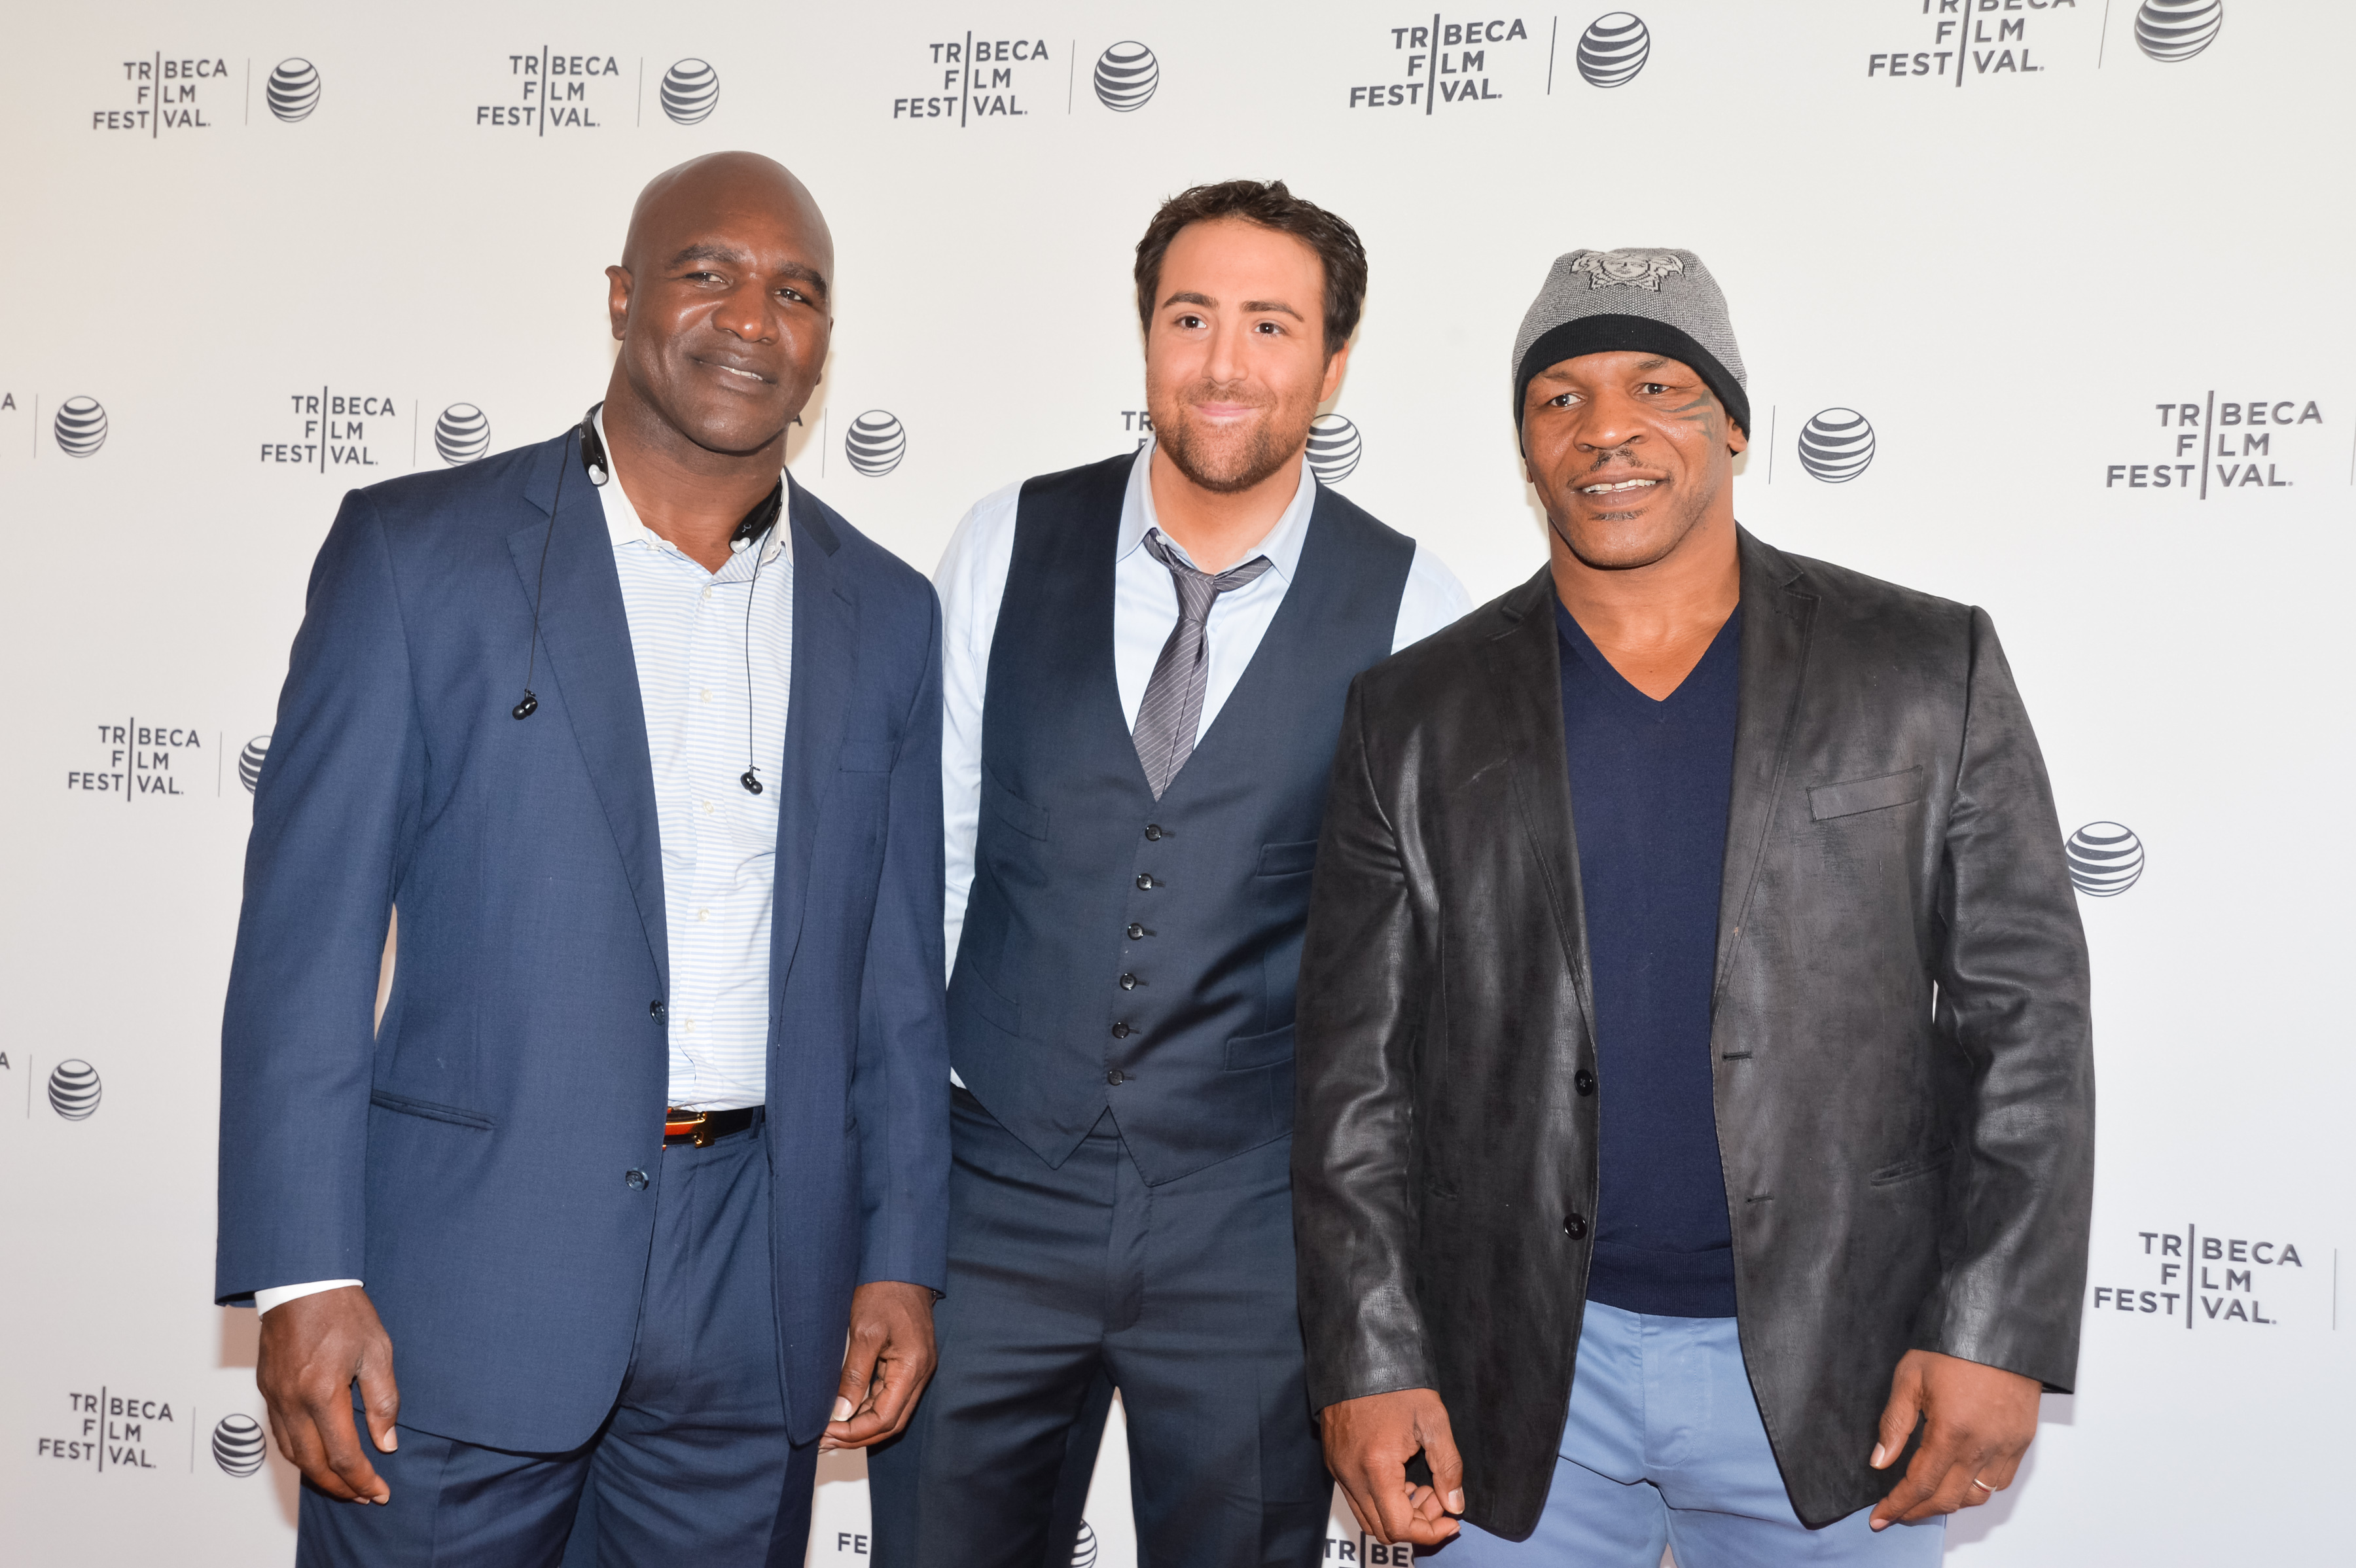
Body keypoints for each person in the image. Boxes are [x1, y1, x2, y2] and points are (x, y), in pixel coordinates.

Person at [1293, 248, 2094, 1562]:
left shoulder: (1921, 667)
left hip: (1844, 1373)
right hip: (1515, 1384)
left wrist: (1996, 1327)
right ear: (1525, 447)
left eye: (1658, 385)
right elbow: (1352, 1078)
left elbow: (2031, 1025)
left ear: (1732, 421)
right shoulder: (1414, 713)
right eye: (1559, 398)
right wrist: (1367, 1353)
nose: (1606, 429)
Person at [215, 152, 948, 1565]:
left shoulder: (888, 614)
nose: (753, 317)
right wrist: (305, 1270)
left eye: (797, 292)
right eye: (708, 272)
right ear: (622, 298)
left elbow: (896, 983)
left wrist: (900, 1251)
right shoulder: (417, 557)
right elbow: (303, 946)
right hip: (464, 1284)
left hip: (761, 1282)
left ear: (825, 343)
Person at [866, 180, 1470, 1565]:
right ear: (1145, 336)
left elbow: (1417, 977)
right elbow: (925, 883)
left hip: (1254, 1220)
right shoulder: (1004, 539)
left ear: (1332, 359)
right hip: (992, 1193)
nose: (1223, 363)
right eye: (1191, 317)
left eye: (1272, 325)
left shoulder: (1417, 604)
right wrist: (890, 1217)